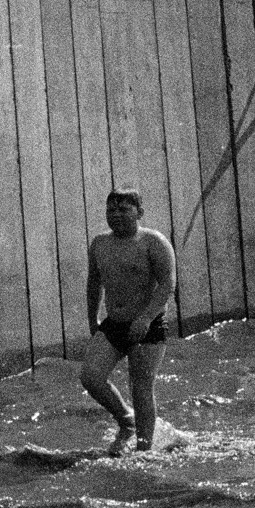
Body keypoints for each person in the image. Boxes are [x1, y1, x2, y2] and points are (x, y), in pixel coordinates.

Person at [80, 189, 177, 456]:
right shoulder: (100, 243)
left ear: (139, 212)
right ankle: (126, 419)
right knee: (90, 377)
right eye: (111, 210)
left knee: (141, 387)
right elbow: (93, 283)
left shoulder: (153, 242)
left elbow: (168, 284)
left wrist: (145, 318)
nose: (116, 215)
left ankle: (144, 449)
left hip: (148, 325)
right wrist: (92, 319)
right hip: (114, 323)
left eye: (124, 209)